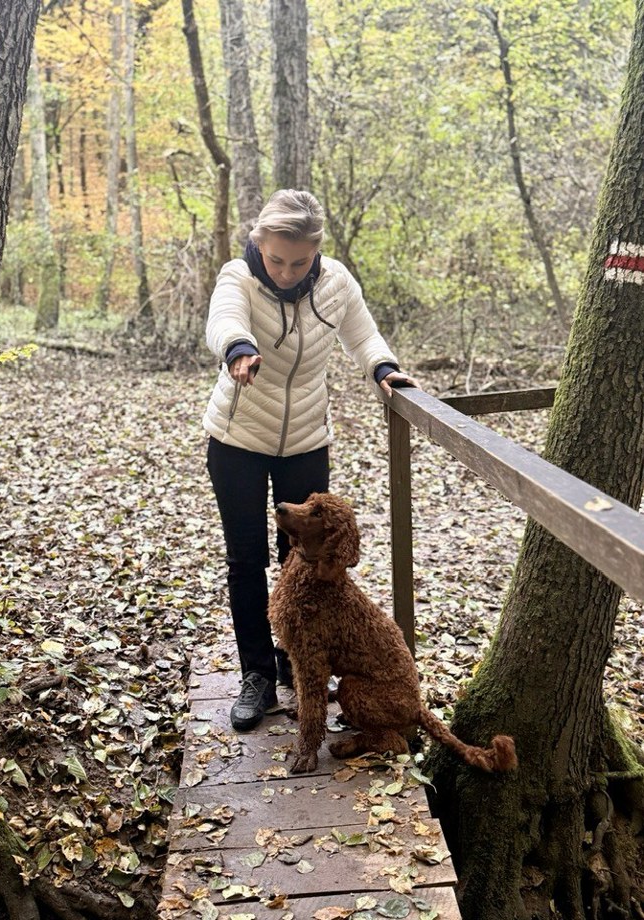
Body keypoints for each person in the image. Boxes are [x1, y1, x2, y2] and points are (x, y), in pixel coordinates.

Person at [203, 189, 417, 731]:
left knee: (302, 560)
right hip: (238, 440)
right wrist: (238, 348)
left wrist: (384, 369)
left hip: (305, 440)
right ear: (259, 243)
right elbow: (224, 318)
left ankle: (292, 662)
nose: (285, 271)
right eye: (276, 259)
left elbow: (363, 335)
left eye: (298, 262)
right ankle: (256, 674)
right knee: (246, 558)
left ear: (316, 252)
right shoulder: (238, 276)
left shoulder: (335, 283)